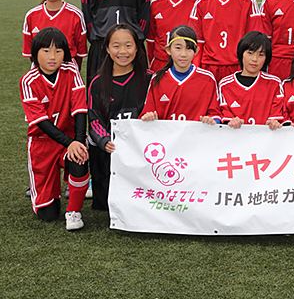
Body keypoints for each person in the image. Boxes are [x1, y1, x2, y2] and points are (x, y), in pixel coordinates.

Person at [19, 28, 89, 231]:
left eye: (58, 51)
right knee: (48, 215)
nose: (52, 57)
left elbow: (80, 109)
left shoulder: (71, 71)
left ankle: (74, 211)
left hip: (69, 136)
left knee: (80, 157)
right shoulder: (28, 80)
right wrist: (71, 143)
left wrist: (77, 142)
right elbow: (41, 122)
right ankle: (48, 192)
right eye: (46, 51)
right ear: (35, 53)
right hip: (42, 143)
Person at [87, 23, 151, 210]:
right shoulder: (97, 83)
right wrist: (104, 140)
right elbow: (95, 118)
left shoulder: (149, 79)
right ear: (107, 48)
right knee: (106, 205)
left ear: (138, 48)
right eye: (116, 45)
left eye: (128, 45)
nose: (122, 51)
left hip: (141, 149)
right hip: (110, 150)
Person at [188, 0, 261, 82]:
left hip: (238, 68)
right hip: (208, 67)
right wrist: (195, 71)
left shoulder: (248, 2)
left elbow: (254, 41)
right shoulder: (202, 3)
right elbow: (197, 42)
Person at [141, 25, 221, 124]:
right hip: (167, 137)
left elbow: (216, 114)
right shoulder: (158, 79)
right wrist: (149, 116)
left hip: (196, 137)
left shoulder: (207, 79)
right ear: (168, 50)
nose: (183, 54)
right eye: (178, 48)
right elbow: (147, 113)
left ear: (196, 51)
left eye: (189, 49)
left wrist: (212, 120)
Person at [218, 31, 285, 130]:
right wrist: (231, 121)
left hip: (266, 142)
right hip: (234, 142)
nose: (255, 59)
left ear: (266, 59)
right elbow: (223, 115)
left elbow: (277, 116)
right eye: (250, 53)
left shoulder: (274, 83)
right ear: (241, 53)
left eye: (261, 55)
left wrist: (274, 123)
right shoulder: (225, 84)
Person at [23, 0, 87, 68]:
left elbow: (80, 52)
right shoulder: (31, 15)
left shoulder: (75, 15)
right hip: (40, 70)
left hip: (67, 69)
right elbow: (30, 52)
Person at [147, 0, 200, 72]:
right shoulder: (156, 4)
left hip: (187, 66)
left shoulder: (199, 3)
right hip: (160, 65)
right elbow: (150, 39)